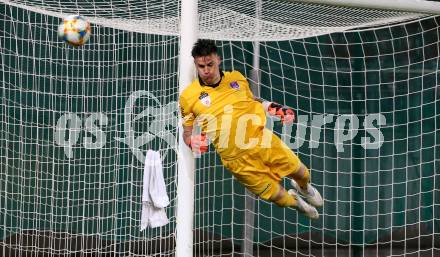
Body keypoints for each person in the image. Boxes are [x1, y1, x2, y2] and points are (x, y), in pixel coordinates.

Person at [179, 39, 323, 219]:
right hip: (236, 160)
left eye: (210, 64)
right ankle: (297, 204)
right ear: (195, 64)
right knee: (277, 196)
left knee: (301, 171)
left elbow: (252, 100)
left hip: (261, 140)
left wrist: (275, 108)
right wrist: (191, 140)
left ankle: (304, 188)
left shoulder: (236, 78)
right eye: (201, 66)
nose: (206, 70)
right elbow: (186, 131)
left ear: (219, 60)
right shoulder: (188, 97)